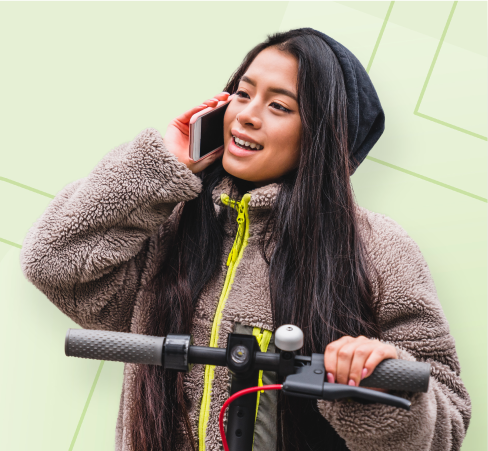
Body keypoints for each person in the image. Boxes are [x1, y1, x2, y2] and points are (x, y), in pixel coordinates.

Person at [20, 28, 471, 451]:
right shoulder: (170, 220)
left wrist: (377, 381)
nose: (247, 116)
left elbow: (447, 421)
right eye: (242, 93)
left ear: (322, 138)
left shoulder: (377, 248)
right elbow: (53, 261)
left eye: (279, 106)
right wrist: (162, 165)